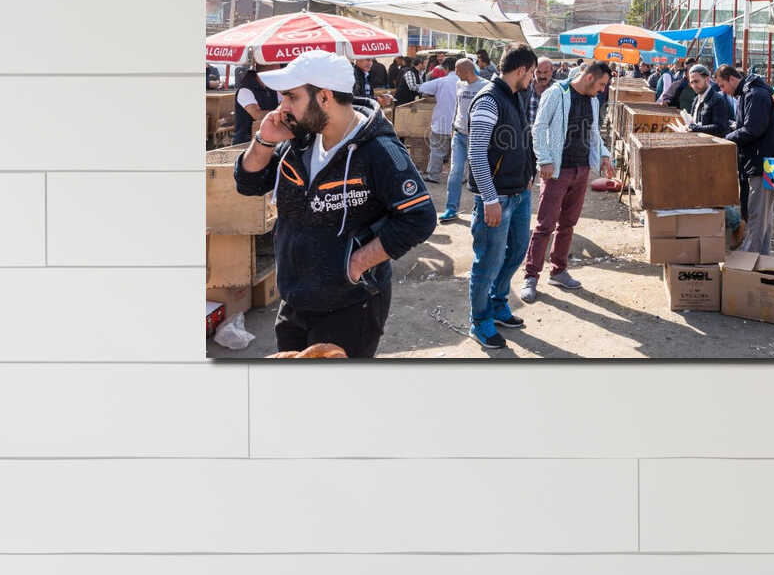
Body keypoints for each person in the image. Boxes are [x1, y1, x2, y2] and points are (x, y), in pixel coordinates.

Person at [231, 50, 436, 358]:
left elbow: (419, 218)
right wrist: (264, 140)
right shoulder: (299, 139)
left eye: (291, 97)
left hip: (350, 306)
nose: (282, 107)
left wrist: (357, 264)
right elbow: (249, 184)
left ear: (324, 98)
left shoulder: (379, 150)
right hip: (294, 298)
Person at [461, 46, 541, 350]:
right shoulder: (488, 99)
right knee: (487, 262)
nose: (533, 78)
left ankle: (497, 303)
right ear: (521, 70)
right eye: (532, 72)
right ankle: (479, 321)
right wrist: (490, 198)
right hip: (495, 200)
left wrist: (529, 171)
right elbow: (477, 153)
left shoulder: (516, 96)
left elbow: (524, 136)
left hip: (519, 194)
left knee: (518, 250)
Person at [521, 57, 613, 302]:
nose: (603, 90)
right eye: (602, 84)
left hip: (581, 169)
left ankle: (559, 270)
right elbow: (539, 127)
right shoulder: (557, 93)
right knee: (544, 225)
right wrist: (545, 160)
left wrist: (603, 155)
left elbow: (594, 132)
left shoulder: (593, 101)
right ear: (590, 77)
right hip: (557, 170)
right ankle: (531, 275)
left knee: (568, 224)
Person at [720, 63, 774, 254]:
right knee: (762, 214)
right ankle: (760, 258)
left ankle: (752, 259)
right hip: (761, 161)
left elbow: (753, 129)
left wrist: (727, 138)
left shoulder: (755, 94)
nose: (723, 91)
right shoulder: (748, 93)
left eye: (723, 86)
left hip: (762, 162)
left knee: (758, 214)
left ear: (732, 79)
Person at [417, 55, 482, 223]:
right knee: (455, 171)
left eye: (458, 71)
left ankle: (478, 208)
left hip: (477, 135)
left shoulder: (485, 86)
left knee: (478, 171)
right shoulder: (459, 84)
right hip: (459, 133)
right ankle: (451, 208)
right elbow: (458, 107)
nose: (455, 74)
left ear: (467, 70)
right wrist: (454, 125)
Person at [229, 53, 277, 146]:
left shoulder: (270, 87)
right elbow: (257, 115)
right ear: (266, 73)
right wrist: (280, 113)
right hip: (244, 142)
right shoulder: (245, 90)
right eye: (276, 72)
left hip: (266, 139)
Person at [684, 64, 732, 137]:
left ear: (707, 80)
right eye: (691, 82)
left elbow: (720, 127)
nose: (694, 85)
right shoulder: (696, 99)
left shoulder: (718, 99)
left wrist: (696, 128)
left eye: (696, 81)